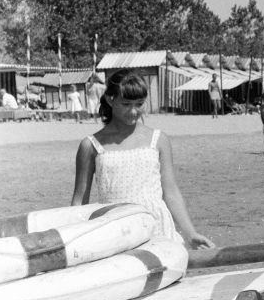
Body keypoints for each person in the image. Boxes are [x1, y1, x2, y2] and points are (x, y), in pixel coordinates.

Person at [71, 72, 214, 248]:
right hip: (116, 230)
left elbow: (170, 191)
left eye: (139, 104)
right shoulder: (90, 145)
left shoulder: (158, 139)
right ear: (110, 99)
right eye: (125, 104)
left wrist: (190, 233)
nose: (133, 111)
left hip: (157, 228)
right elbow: (79, 202)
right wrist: (74, 240)